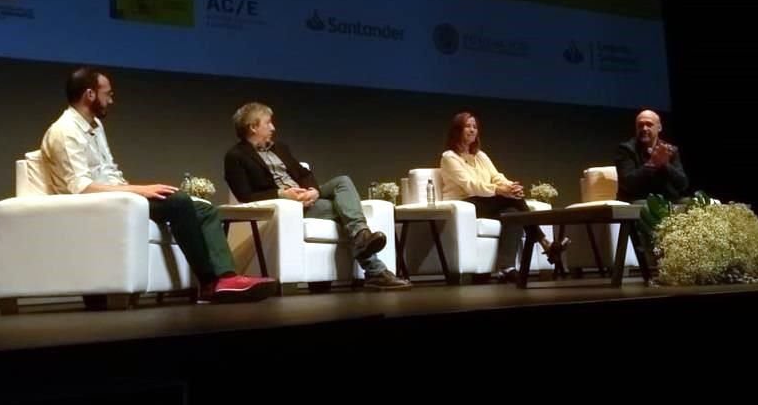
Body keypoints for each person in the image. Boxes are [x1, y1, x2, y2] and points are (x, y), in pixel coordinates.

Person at [41, 67, 276, 304]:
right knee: (179, 202)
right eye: (107, 94)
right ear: (90, 94)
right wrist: (140, 190)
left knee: (205, 209)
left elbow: (110, 171)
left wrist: (137, 191)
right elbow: (81, 187)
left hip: (120, 199)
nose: (111, 100)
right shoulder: (65, 131)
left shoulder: (95, 126)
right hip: (99, 205)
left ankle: (226, 277)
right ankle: (208, 283)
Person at [224, 102, 412, 290]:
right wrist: (283, 195)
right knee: (346, 211)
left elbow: (304, 173)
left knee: (342, 181)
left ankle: (362, 236)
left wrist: (314, 191)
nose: (273, 128)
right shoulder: (236, 156)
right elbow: (245, 196)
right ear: (253, 127)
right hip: (289, 208)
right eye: (268, 123)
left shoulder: (280, 148)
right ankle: (375, 269)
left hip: (307, 198)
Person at [439, 112, 568, 282]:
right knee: (512, 200)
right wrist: (500, 190)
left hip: (485, 202)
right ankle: (545, 242)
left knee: (513, 214)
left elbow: (496, 176)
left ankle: (506, 267)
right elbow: (470, 185)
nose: (472, 130)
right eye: (467, 126)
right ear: (457, 130)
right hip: (465, 204)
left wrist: (510, 186)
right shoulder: (449, 157)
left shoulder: (480, 156)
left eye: (475, 127)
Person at [615, 109, 689, 203]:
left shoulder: (670, 150)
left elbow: (683, 184)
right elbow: (627, 184)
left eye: (649, 124)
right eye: (640, 125)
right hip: (638, 199)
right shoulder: (626, 149)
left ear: (659, 128)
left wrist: (665, 165)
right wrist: (651, 164)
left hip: (666, 198)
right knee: (644, 204)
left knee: (688, 202)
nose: (644, 128)